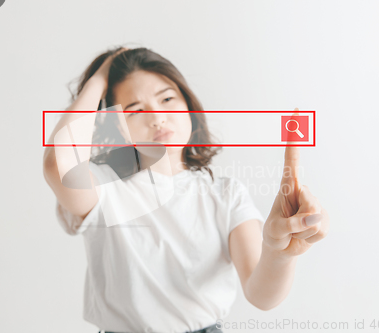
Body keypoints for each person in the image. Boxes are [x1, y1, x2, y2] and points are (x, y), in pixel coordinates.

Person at [42, 46, 330, 333]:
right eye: (134, 111)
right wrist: (100, 76)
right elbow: (58, 163)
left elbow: (261, 295)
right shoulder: (104, 188)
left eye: (167, 98)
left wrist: (279, 252)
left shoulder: (225, 195)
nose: (157, 117)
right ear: (116, 128)